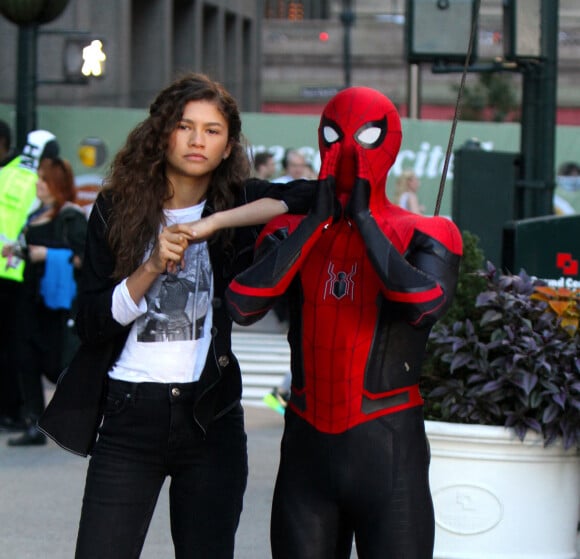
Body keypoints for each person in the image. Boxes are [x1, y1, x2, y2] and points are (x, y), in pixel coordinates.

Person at [38, 73, 314, 559]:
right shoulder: (116, 208)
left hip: (211, 416)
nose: (197, 140)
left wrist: (211, 223)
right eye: (185, 126)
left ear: (228, 146)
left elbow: (310, 196)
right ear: (162, 132)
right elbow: (91, 322)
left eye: (212, 130)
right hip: (129, 414)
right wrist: (148, 268)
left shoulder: (238, 204)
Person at [226, 86, 463, 558]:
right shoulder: (288, 231)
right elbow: (243, 306)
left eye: (365, 136)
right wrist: (315, 222)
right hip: (307, 454)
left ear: (388, 141)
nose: (348, 152)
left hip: (389, 449)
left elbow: (423, 306)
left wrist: (364, 219)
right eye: (335, 136)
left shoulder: (429, 232)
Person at [3, 157, 87, 446]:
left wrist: (47, 256)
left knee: (56, 362)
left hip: (57, 303)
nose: (37, 184)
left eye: (43, 179)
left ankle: (76, 419)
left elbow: (82, 258)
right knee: (25, 358)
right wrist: (19, 251)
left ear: (57, 185)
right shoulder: (36, 214)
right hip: (30, 298)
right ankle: (33, 422)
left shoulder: (70, 217)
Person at [0, 129, 60, 433]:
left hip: (6, 268)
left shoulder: (5, 173)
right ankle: (16, 411)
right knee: (17, 346)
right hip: (18, 272)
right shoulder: (41, 182)